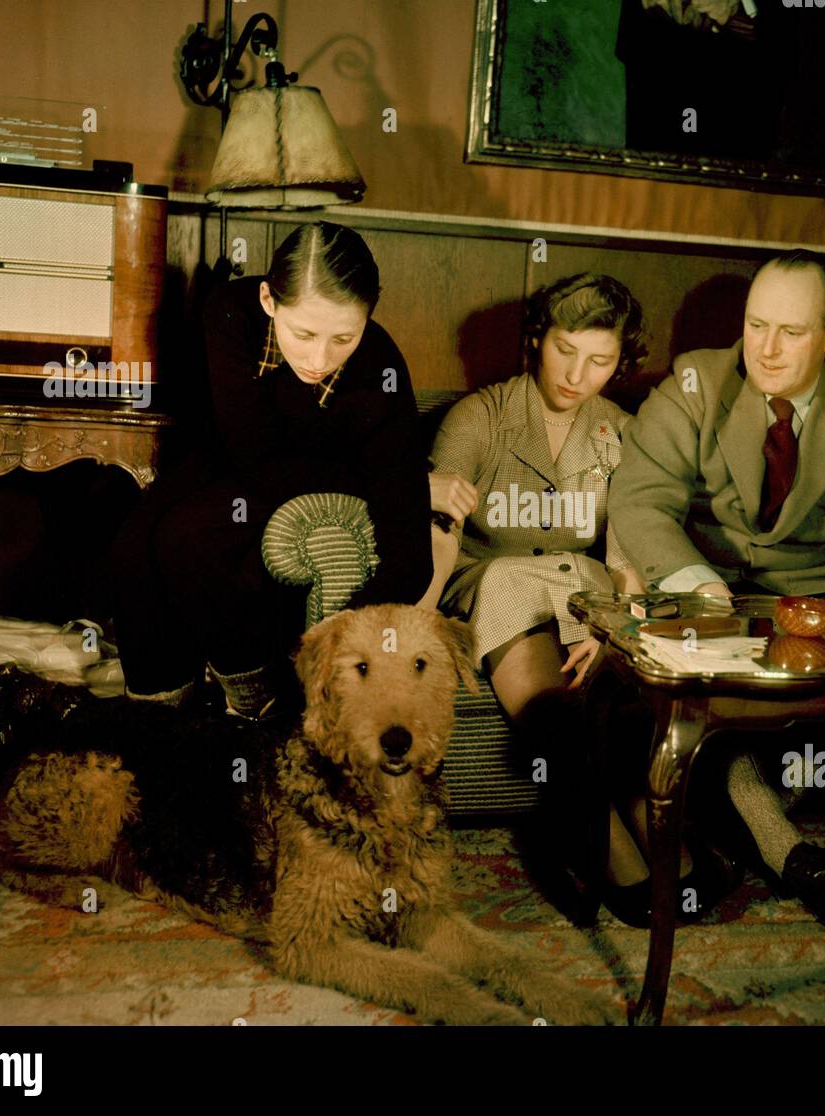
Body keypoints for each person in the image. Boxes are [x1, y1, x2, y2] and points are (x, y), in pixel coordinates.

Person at [608, 248, 825, 927]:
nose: (764, 349)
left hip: (819, 615)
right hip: (706, 603)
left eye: (790, 332)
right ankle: (793, 858)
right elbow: (643, 502)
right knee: (696, 717)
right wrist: (701, 592)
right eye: (755, 325)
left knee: (732, 739)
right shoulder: (695, 383)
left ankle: (752, 833)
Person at [421, 273, 730, 927]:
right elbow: (442, 528)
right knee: (514, 600)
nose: (576, 373)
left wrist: (616, 629)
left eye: (599, 360)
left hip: (584, 591)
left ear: (622, 363)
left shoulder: (621, 430)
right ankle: (603, 843)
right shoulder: (481, 415)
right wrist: (419, 613)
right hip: (495, 582)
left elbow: (628, 552)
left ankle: (651, 830)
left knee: (622, 697)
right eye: (565, 350)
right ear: (536, 340)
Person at [110, 222, 432, 718]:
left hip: (309, 483)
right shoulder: (229, 309)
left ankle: (255, 700)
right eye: (303, 333)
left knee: (188, 538)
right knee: (132, 545)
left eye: (344, 337)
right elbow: (252, 451)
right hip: (238, 456)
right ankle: (156, 718)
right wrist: (366, 476)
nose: (320, 358)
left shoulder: (382, 370)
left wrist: (339, 637)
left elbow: (413, 555)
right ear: (268, 300)